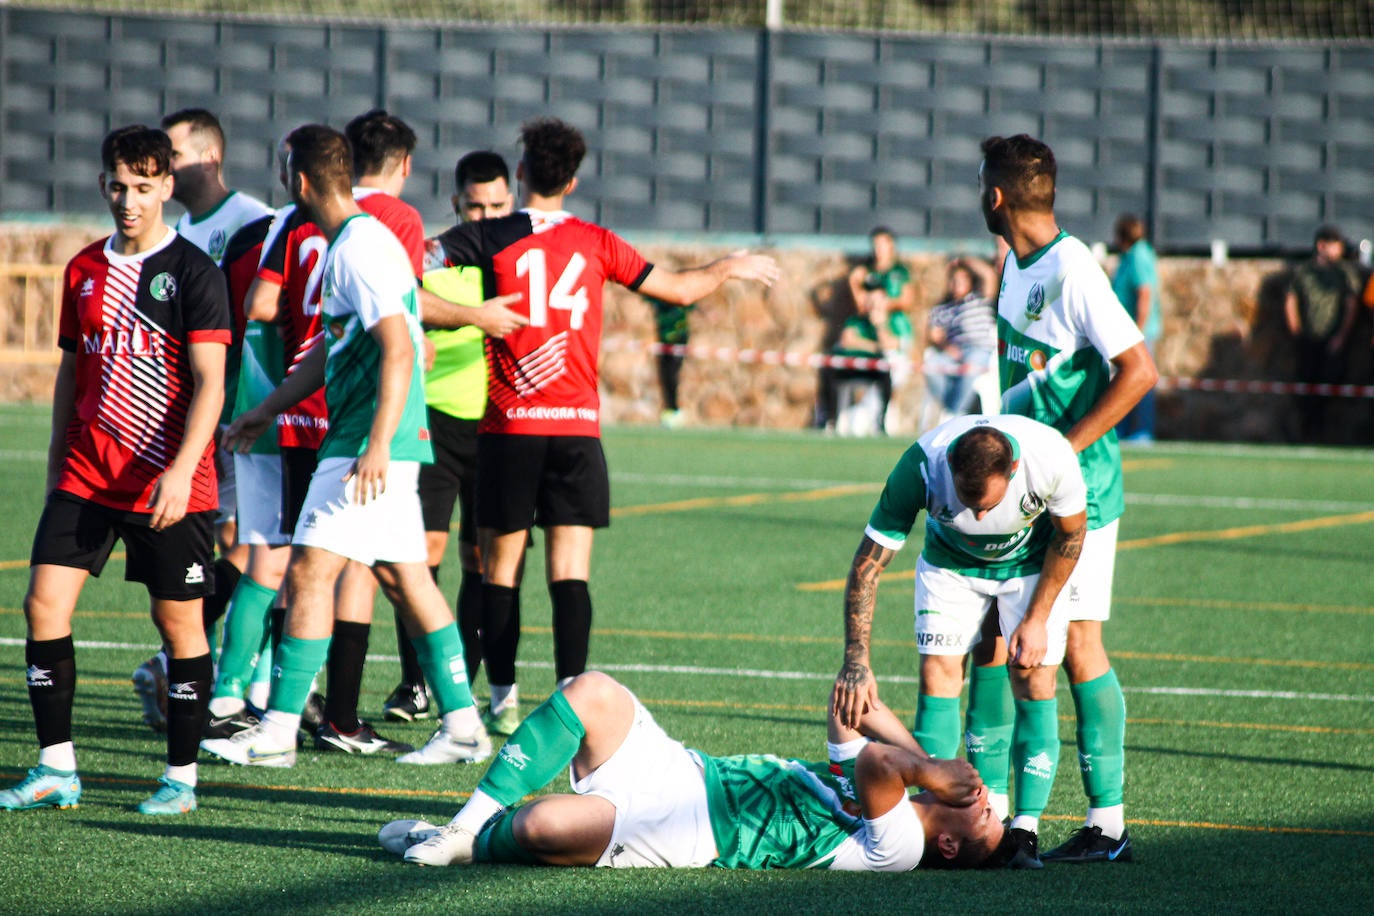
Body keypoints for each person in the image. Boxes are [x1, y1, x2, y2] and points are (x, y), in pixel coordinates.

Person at [429, 118, 778, 717]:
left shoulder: (487, 234)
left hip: (511, 428)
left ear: (520, 175)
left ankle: (501, 700)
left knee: (499, 570)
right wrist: (728, 267)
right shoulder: (596, 241)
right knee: (570, 572)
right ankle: (569, 701)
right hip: (575, 431)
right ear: (572, 181)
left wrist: (464, 315)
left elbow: (409, 268)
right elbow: (676, 290)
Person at [200, 123, 488, 768]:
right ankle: (465, 726)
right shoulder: (350, 246)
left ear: (298, 181)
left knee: (307, 570)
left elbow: (399, 346)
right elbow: (331, 352)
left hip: (363, 440)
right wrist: (265, 411)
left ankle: (275, 733)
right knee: (404, 577)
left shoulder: (360, 248)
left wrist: (378, 442)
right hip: (372, 437)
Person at [1, 125, 230, 815]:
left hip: (169, 480)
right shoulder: (82, 269)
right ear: (105, 184)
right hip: (87, 476)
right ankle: (56, 769)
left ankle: (182, 780)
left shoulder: (193, 272)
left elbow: (211, 383)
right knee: (42, 605)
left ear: (166, 186)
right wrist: (54, 468)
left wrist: (181, 470)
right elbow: (73, 369)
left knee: (178, 625)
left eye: (143, 187)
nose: (128, 200)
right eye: (118, 186)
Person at [973, 134, 1158, 865]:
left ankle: (1096, 824)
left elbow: (1139, 369)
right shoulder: (1016, 265)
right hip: (1028, 494)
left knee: (1069, 646)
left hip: (1080, 494)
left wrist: (1064, 449)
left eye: (979, 186)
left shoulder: (1073, 266)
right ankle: (1012, 819)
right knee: (1008, 645)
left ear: (997, 196)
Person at [377, 671, 1007, 870]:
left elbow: (875, 759)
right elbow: (855, 716)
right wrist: (931, 763)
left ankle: (476, 844)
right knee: (590, 689)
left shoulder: (900, 847)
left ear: (948, 841)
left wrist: (927, 770)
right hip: (688, 771)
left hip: (688, 833)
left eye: (983, 817)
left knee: (543, 826)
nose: (986, 800)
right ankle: (463, 827)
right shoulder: (906, 789)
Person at [830, 415, 1088, 869]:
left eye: (988, 504)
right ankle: (939, 811)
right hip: (950, 565)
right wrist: (856, 659)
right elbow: (868, 564)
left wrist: (1038, 617)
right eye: (969, 502)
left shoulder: (1050, 456)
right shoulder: (922, 464)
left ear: (1013, 471)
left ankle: (1024, 830)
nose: (979, 516)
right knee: (937, 672)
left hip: (1028, 566)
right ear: (950, 465)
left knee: (1033, 677)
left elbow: (1071, 534)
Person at [130, 108, 274, 733]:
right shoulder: (186, 227)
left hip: (247, 412)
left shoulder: (254, 224)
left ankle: (204, 674)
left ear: (210, 158)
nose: (164, 167)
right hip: (209, 419)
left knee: (252, 550)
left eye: (175, 156)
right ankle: (211, 681)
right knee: (252, 552)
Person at [387, 148, 528, 734]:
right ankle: (417, 678)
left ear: (512, 203)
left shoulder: (520, 257)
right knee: (419, 556)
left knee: (483, 561)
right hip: (438, 420)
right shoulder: (438, 257)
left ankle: (462, 679)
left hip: (499, 424)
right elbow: (400, 297)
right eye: (475, 205)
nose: (486, 214)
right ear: (456, 203)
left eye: (497, 205)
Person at [1283, 224, 1358, 442]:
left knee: (1330, 386)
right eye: (1335, 245)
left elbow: (1351, 304)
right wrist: (1296, 331)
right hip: (1308, 338)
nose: (1339, 251)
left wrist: (1340, 336)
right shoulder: (1304, 272)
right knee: (1305, 386)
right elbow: (1291, 300)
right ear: (1321, 245)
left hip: (1332, 339)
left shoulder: (1343, 273)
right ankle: (1305, 432)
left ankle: (1323, 433)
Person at [921, 258, 998, 427]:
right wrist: (947, 347)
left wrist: (964, 260)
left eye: (962, 279)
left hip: (979, 349)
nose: (957, 284)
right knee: (931, 365)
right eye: (954, 280)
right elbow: (934, 334)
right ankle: (957, 409)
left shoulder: (979, 298)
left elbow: (988, 275)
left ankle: (954, 415)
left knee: (969, 368)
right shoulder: (942, 308)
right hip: (954, 351)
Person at [1111, 215, 1162, 444]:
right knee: (1123, 380)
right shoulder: (1130, 255)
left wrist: (1137, 332)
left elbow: (1144, 294)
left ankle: (1142, 431)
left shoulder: (1139, 255)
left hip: (1136, 332)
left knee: (1140, 380)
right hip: (1124, 331)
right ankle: (1122, 428)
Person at [645, 295, 693, 428]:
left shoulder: (681, 301)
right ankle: (669, 410)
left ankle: (675, 410)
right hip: (664, 343)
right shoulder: (660, 300)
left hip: (678, 344)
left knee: (673, 377)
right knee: (665, 377)